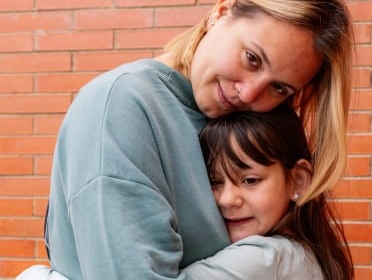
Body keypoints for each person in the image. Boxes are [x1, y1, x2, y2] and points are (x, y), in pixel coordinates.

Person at [40, 0, 354, 279]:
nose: (248, 94)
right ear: (221, 11)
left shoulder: (243, 125)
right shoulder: (124, 106)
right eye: (252, 59)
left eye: (279, 88)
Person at [18, 105, 354, 279]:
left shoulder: (267, 258)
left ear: (297, 180)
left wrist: (37, 275)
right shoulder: (310, 254)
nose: (227, 199)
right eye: (215, 181)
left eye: (250, 180)